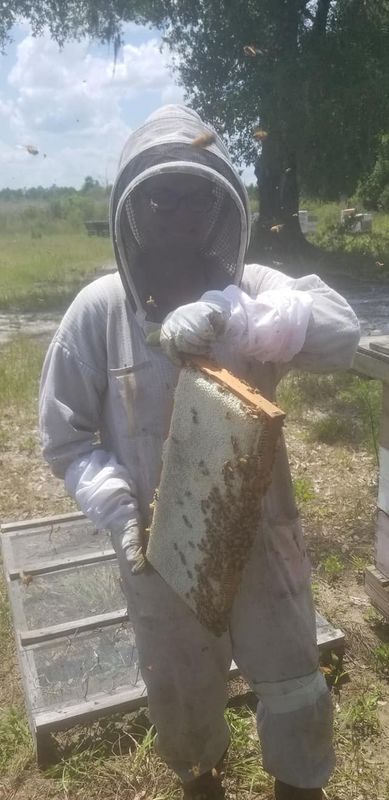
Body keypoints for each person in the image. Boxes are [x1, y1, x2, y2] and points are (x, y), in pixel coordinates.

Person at [39, 105, 360, 800]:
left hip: (262, 530)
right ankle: (199, 780)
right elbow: (64, 438)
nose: (180, 216)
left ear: (221, 206)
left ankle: (298, 786)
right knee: (181, 686)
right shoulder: (97, 311)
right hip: (159, 545)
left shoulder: (255, 288)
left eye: (198, 198)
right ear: (133, 208)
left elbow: (340, 332)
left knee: (293, 680)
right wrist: (122, 513)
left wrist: (235, 316)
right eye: (162, 198)